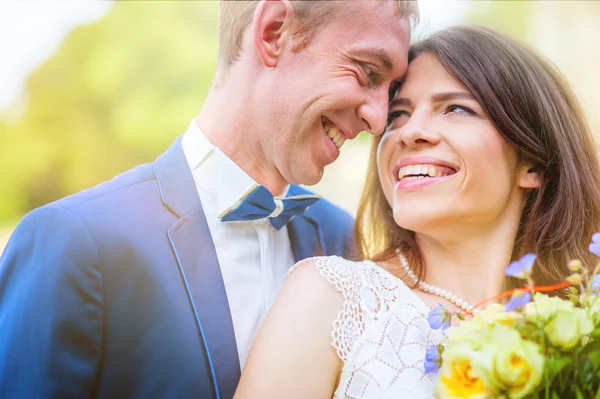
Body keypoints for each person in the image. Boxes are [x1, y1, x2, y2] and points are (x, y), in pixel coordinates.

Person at [0, 1, 416, 398]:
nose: (378, 119)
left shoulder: (345, 241)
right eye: (367, 72)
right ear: (274, 32)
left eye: (391, 91)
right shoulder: (75, 241)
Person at [233, 25, 600, 398]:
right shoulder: (333, 298)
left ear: (532, 165)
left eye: (456, 109)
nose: (410, 132)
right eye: (398, 114)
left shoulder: (580, 328)